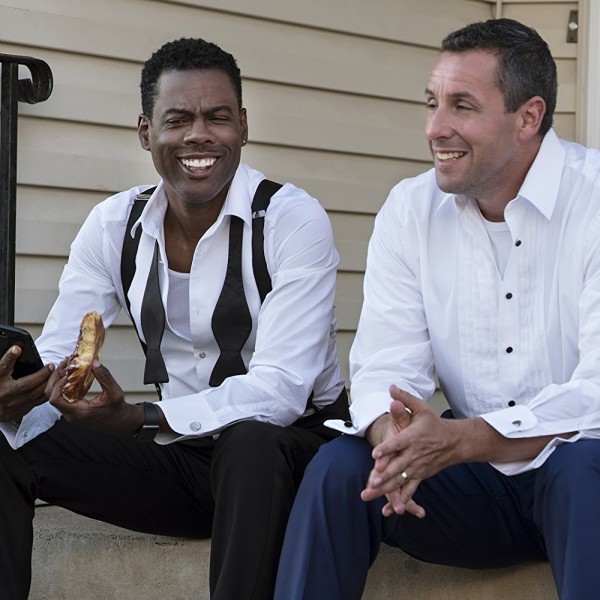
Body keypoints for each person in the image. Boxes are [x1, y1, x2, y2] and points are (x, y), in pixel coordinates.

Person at [0, 37, 349, 600]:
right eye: (178, 119)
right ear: (146, 132)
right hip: (184, 460)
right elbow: (66, 349)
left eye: (218, 117)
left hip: (293, 458)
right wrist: (24, 392)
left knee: (251, 444)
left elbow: (282, 391)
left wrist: (142, 416)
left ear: (243, 126)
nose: (198, 135)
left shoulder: (289, 218)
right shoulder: (114, 223)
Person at [274, 18, 600, 600]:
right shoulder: (410, 210)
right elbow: (385, 367)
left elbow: (597, 393)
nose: (435, 128)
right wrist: (397, 443)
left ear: (528, 117)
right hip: (472, 489)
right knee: (340, 468)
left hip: (579, 483)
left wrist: (465, 439)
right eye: (432, 104)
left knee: (584, 469)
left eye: (462, 106)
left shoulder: (594, 199)